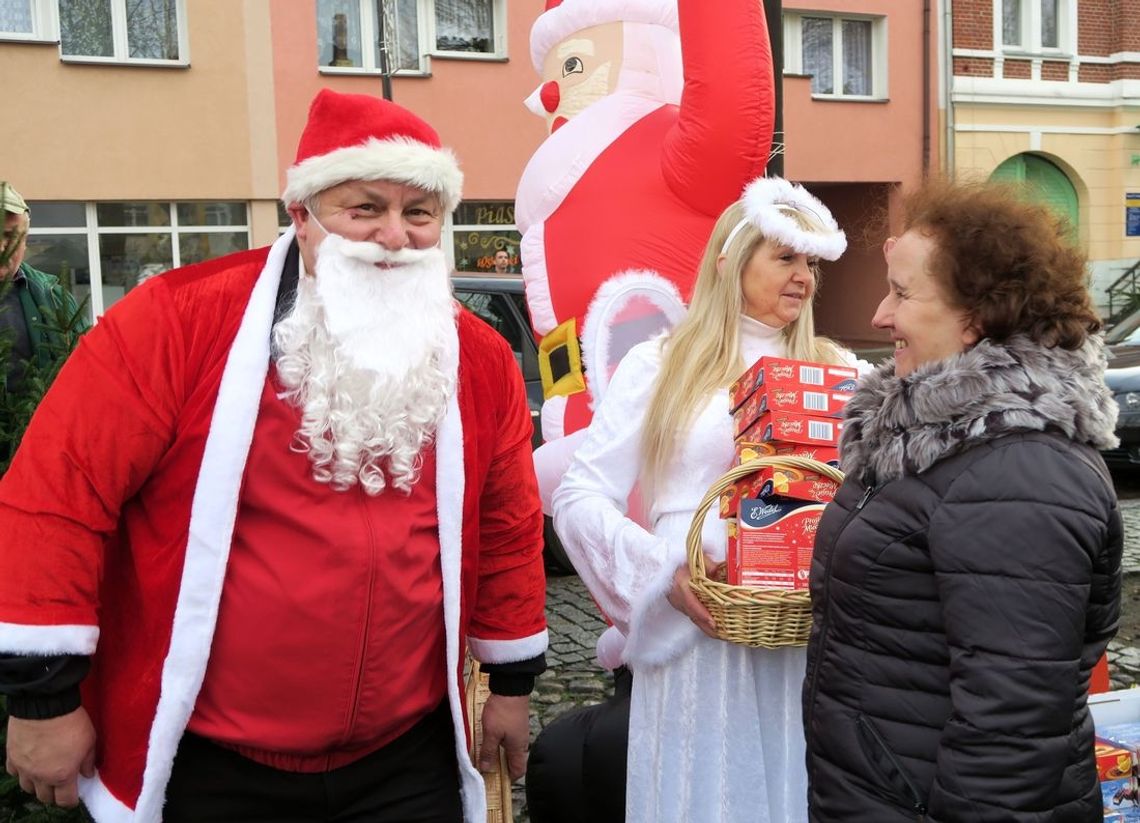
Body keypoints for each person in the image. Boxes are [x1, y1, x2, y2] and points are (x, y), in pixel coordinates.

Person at [0, 88, 548, 823]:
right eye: (365, 208)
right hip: (216, 766)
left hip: (404, 761)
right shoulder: (178, 322)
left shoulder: (477, 357)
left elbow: (508, 521)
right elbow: (57, 494)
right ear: (303, 214)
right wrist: (42, 698)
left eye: (419, 213)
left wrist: (512, 684)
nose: (395, 235)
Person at [802, 178, 1123, 821]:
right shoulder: (929, 436)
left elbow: (1011, 729)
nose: (878, 315)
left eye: (901, 292)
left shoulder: (1021, 473)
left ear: (975, 318)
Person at [551, 177, 856, 823]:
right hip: (696, 634)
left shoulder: (843, 371)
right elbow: (581, 495)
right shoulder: (660, 364)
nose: (803, 276)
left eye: (810, 262)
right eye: (784, 257)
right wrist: (664, 572)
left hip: (804, 634)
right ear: (730, 259)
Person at [0, 182, 86, 394]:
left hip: (36, 425)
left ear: (25, 240)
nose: (1, 246)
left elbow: (88, 370)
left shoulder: (52, 297)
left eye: (10, 235)